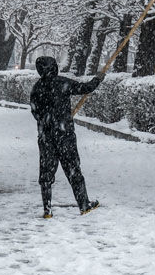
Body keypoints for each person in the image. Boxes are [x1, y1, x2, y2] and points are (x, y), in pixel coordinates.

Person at [29, 56, 103, 219]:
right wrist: (98, 79)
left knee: (46, 174)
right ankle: (84, 205)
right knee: (73, 170)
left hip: (46, 137)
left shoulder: (36, 88)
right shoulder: (62, 83)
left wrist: (48, 121)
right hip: (64, 136)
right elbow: (86, 88)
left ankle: (47, 209)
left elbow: (35, 112)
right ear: (53, 68)